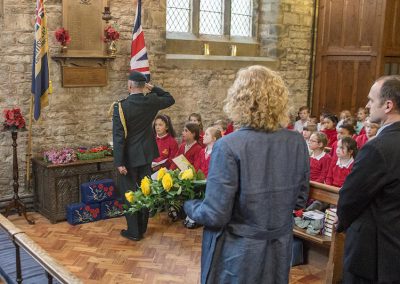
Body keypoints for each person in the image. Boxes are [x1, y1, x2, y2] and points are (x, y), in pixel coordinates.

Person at [184, 65, 309, 284]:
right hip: (279, 247)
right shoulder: (297, 141)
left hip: (239, 252)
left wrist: (189, 204)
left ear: (239, 100)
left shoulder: (228, 145)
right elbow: (300, 199)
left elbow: (215, 214)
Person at [337, 75, 400, 283]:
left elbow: (350, 196)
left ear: (388, 105)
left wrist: (341, 221)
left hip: (373, 254)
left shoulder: (378, 148)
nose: (367, 105)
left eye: (371, 100)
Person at [112, 71, 175, 241]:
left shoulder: (121, 106)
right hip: (146, 154)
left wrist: (119, 162)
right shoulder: (151, 100)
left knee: (129, 193)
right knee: (145, 190)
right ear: (143, 86)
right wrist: (153, 88)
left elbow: (118, 137)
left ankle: (134, 232)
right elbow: (170, 98)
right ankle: (142, 228)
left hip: (129, 158)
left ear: (129, 86)